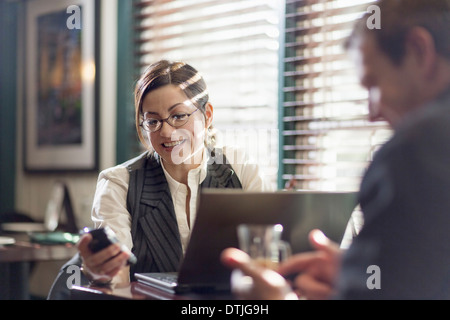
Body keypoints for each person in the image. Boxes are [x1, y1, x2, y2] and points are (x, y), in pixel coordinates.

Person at [222, 0, 450, 299]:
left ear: (419, 51)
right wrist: (363, 273)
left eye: (373, 85)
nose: (372, 112)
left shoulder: (416, 150)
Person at [48, 60, 272, 299]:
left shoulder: (241, 170)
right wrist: (103, 270)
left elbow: (268, 254)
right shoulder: (119, 183)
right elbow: (118, 278)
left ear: (207, 116)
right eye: (153, 121)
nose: (166, 132)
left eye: (178, 116)